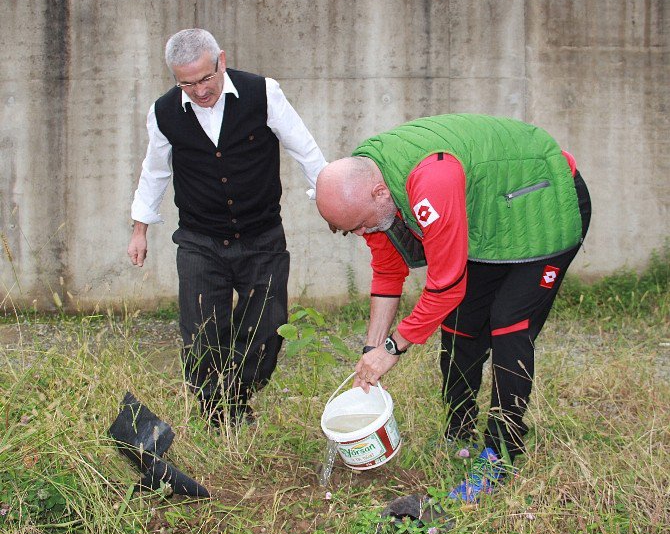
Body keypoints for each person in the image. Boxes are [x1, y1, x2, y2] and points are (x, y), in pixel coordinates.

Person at [316, 114, 591, 502]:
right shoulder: (368, 189)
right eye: (353, 230)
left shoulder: (431, 182)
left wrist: (394, 348)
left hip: (543, 205)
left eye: (360, 226)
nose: (362, 234)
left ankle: (501, 452)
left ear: (379, 192)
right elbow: (387, 272)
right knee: (463, 322)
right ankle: (458, 429)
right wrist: (370, 350)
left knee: (508, 323)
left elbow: (445, 286)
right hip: (492, 219)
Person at [128, 28, 326, 426]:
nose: (199, 91)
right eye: (187, 83)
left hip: (262, 236)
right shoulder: (164, 112)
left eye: (205, 78)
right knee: (201, 331)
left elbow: (304, 148)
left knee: (267, 328)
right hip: (200, 240)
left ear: (221, 60)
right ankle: (216, 412)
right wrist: (139, 229)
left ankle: (238, 397)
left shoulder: (263, 93)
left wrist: (331, 198)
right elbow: (154, 172)